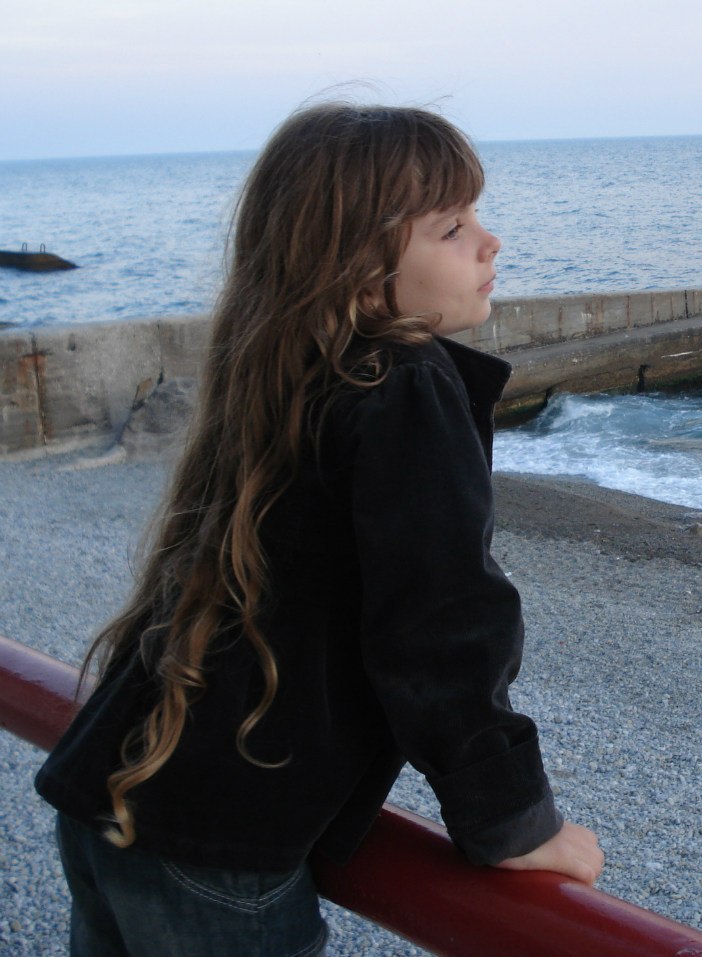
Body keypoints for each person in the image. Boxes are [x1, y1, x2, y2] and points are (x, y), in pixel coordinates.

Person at [35, 102, 604, 957]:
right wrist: (514, 820)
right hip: (216, 847)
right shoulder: (404, 387)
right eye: (452, 227)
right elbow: (443, 625)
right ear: (359, 266)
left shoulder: (286, 371)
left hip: (109, 792)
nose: (491, 243)